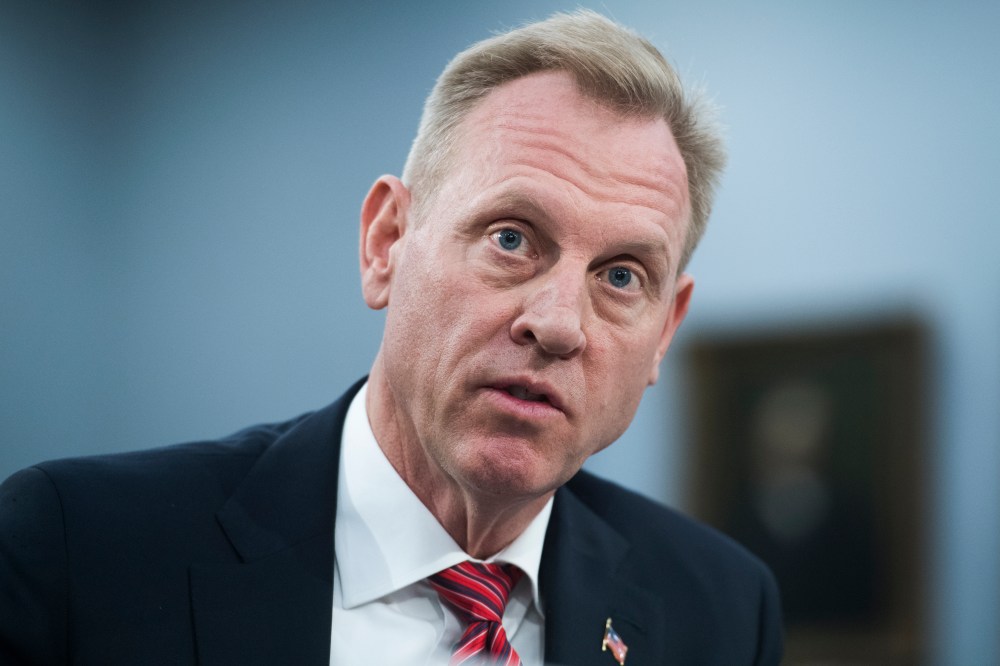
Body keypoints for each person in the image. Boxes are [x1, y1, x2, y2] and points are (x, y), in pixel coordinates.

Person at [0, 10, 782, 665]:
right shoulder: (77, 551)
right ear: (386, 242)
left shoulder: (722, 610)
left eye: (621, 276)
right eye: (511, 238)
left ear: (664, 332)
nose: (557, 324)